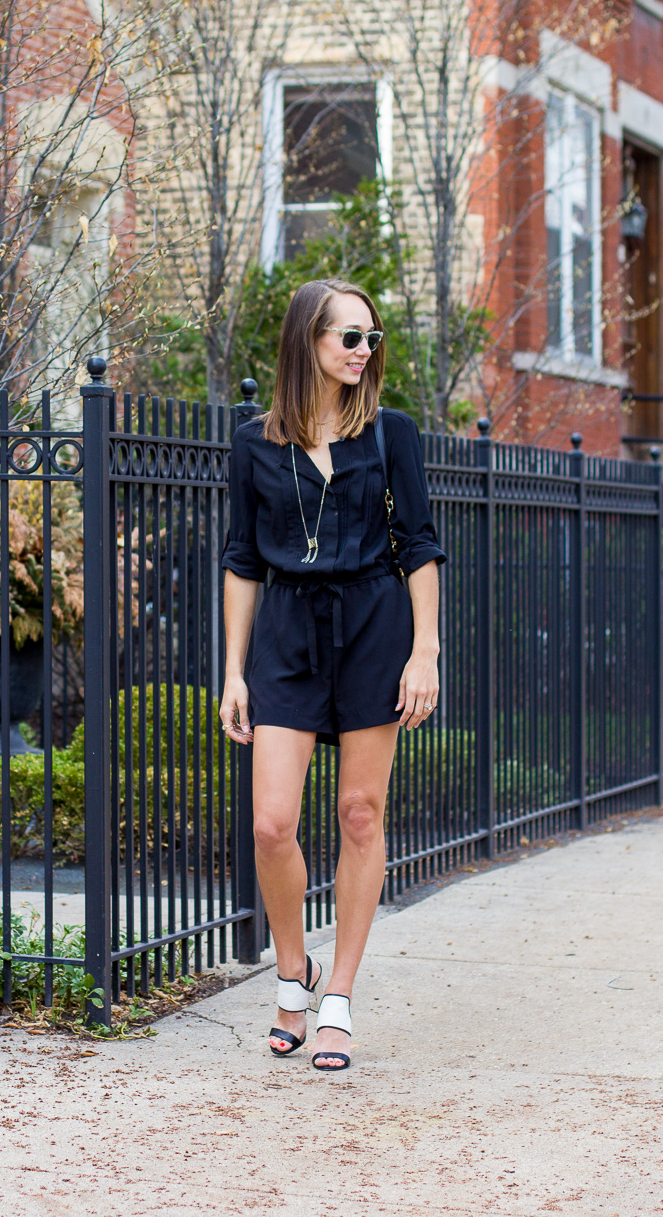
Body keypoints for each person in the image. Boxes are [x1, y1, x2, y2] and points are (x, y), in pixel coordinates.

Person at [219, 278, 445, 1071]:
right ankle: (293, 973)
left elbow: (418, 544)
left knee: (359, 811)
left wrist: (426, 650)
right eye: (349, 337)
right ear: (307, 341)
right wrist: (234, 672)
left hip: (374, 627)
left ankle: (338, 995)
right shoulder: (256, 442)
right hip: (285, 634)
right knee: (271, 824)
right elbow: (243, 560)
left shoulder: (392, 435)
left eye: (371, 339)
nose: (363, 352)